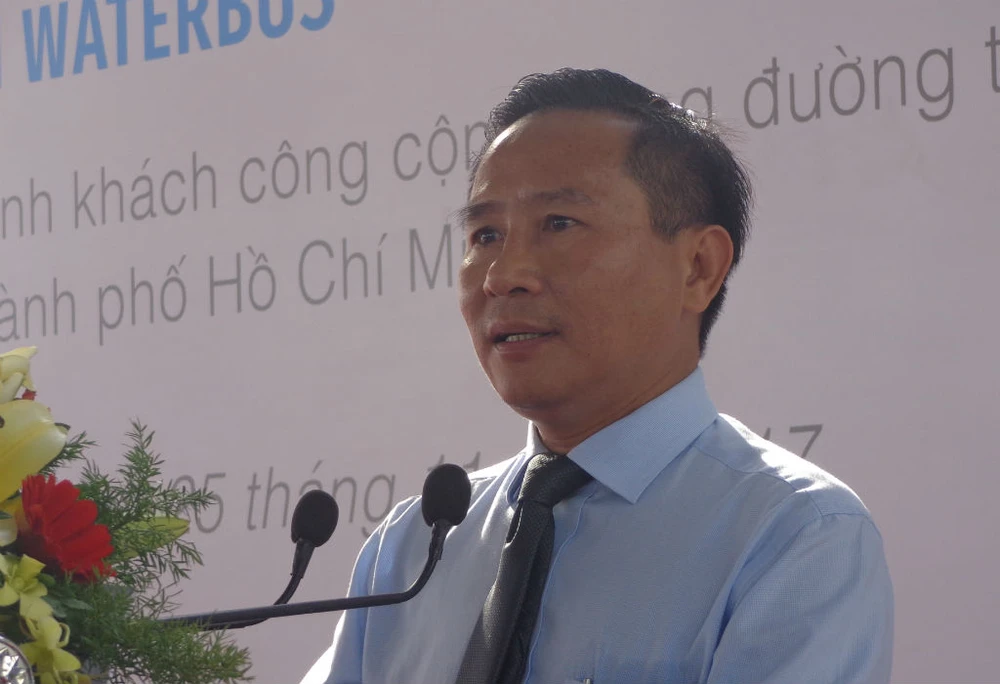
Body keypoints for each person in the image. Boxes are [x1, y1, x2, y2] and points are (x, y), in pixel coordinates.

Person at [300, 68, 893, 684]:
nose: (503, 275)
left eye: (559, 223)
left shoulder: (794, 535)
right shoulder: (411, 547)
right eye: (486, 234)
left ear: (698, 266)